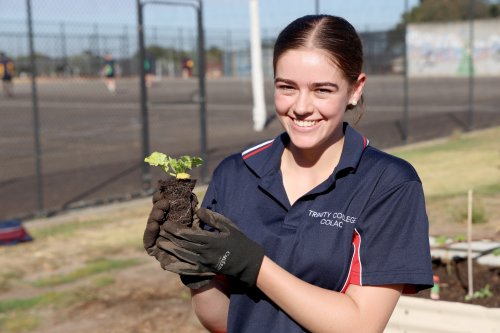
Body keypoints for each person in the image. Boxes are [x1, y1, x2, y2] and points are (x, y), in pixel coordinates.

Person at [144, 15, 433, 333]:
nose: (301, 106)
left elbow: (361, 325)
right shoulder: (235, 174)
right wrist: (197, 274)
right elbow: (226, 321)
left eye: (322, 90)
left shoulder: (388, 183)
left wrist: (254, 265)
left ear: (355, 89)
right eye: (287, 87)